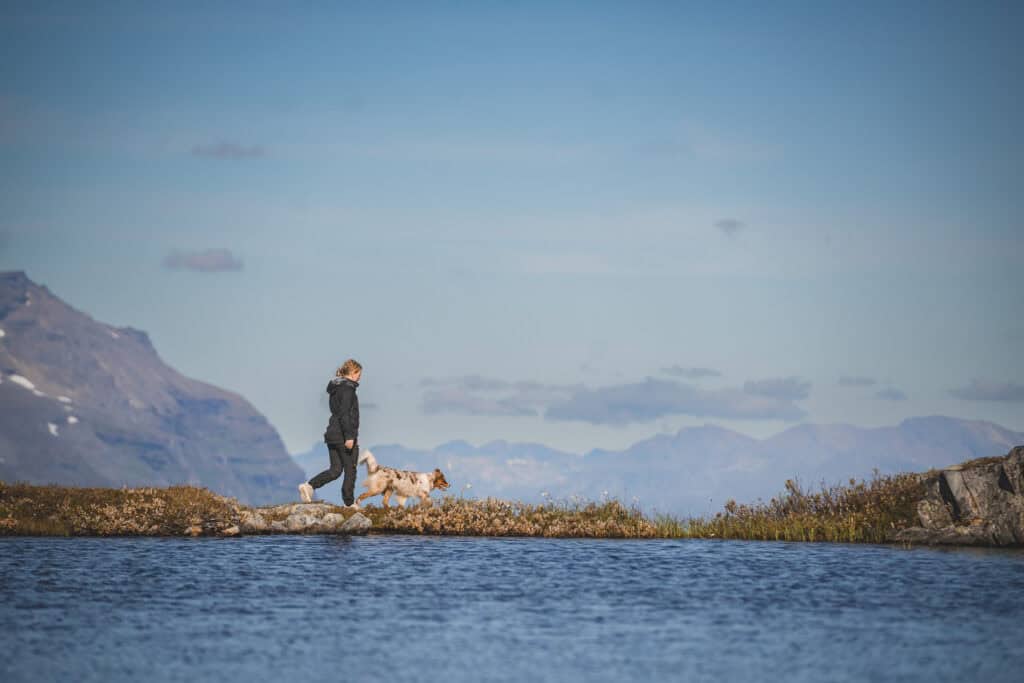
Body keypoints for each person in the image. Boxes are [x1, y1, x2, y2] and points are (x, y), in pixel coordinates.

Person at [299, 359, 362, 506]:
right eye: (359, 374)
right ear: (353, 373)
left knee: (335, 470)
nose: (360, 378)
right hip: (343, 436)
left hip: (332, 435)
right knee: (350, 469)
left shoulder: (335, 388)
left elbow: (338, 412)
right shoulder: (348, 389)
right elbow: (345, 414)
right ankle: (349, 504)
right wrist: (350, 436)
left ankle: (309, 486)